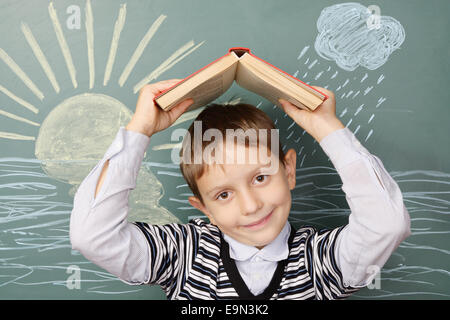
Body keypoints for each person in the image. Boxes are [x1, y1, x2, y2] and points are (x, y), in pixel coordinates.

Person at [70, 79, 411, 299]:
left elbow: (386, 225)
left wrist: (328, 128)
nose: (250, 206)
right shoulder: (181, 253)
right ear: (203, 207)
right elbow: (92, 236)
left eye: (261, 178)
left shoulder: (321, 261)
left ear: (288, 170)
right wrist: (140, 129)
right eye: (223, 194)